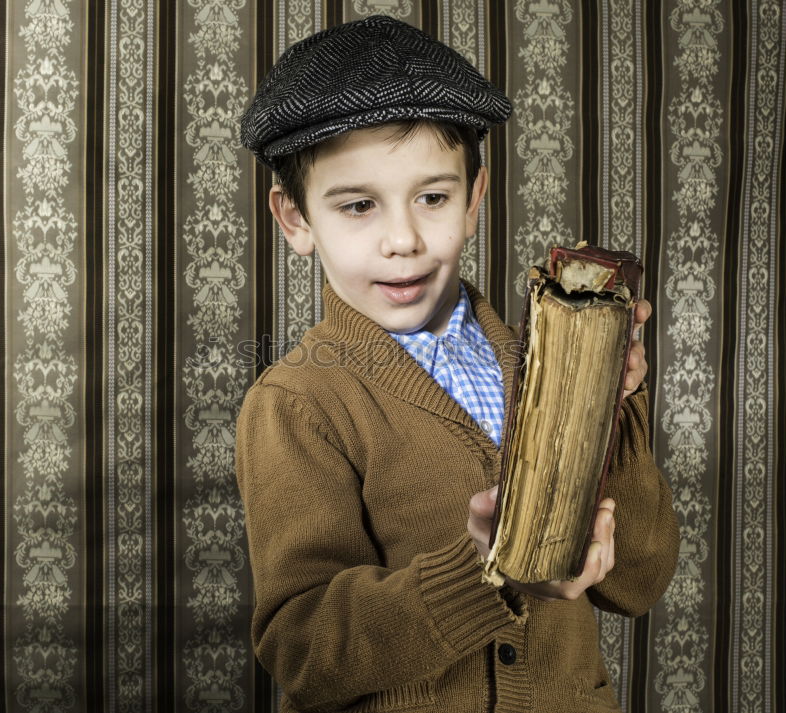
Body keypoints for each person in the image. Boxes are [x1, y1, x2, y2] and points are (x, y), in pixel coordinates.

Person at [236, 15, 679, 713]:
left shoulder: (551, 363)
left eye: (432, 198)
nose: (403, 240)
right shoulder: (297, 400)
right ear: (295, 220)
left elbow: (639, 582)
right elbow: (304, 645)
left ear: (473, 200)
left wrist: (612, 407)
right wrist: (485, 572)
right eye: (358, 206)